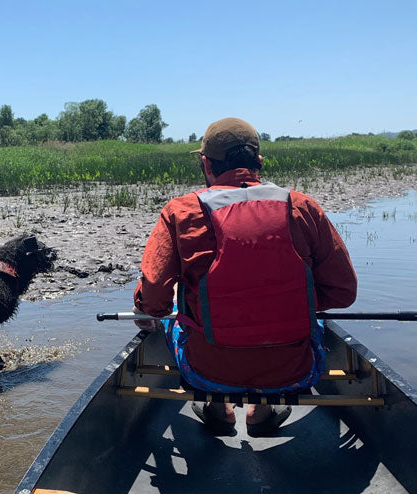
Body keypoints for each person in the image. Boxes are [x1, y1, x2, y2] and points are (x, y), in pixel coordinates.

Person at [133, 117, 357, 435]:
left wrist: (148, 312)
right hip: (294, 373)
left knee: (174, 307)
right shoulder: (303, 207)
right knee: (313, 316)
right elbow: (343, 293)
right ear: (259, 162)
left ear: (205, 164)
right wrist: (286, 301)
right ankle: (262, 411)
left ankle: (217, 406)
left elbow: (153, 298)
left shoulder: (180, 213)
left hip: (205, 373)